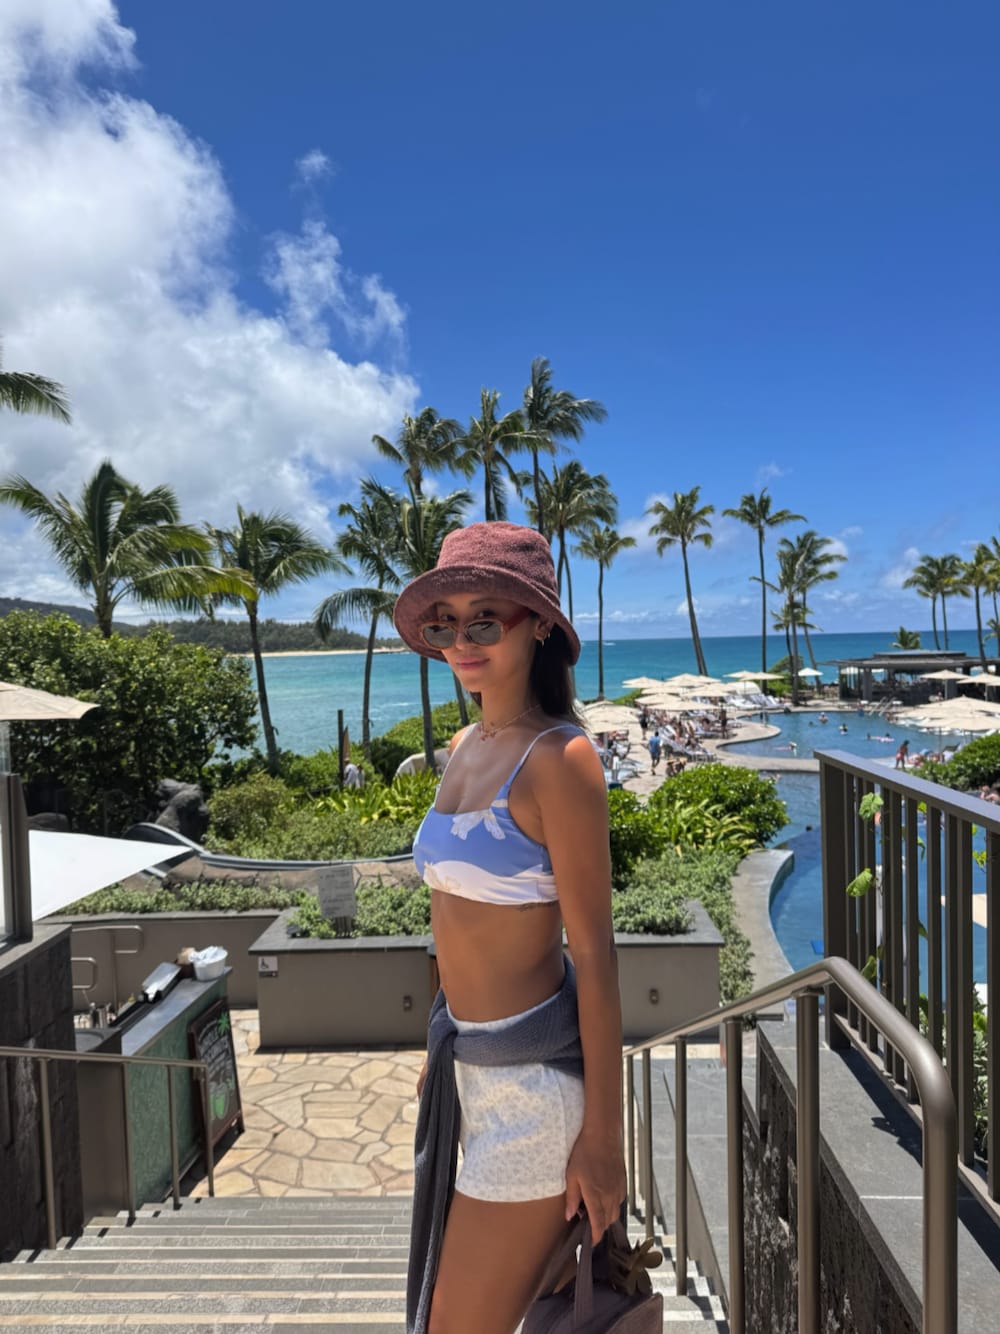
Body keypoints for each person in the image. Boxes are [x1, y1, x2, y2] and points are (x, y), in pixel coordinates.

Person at [392, 522, 625, 1334]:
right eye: (446, 624)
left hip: (533, 1094)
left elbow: (595, 955)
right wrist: (441, 1047)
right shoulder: (464, 746)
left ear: (540, 629)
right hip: (471, 1074)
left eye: (486, 620)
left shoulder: (562, 760)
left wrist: (605, 1140)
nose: (463, 642)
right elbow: (450, 919)